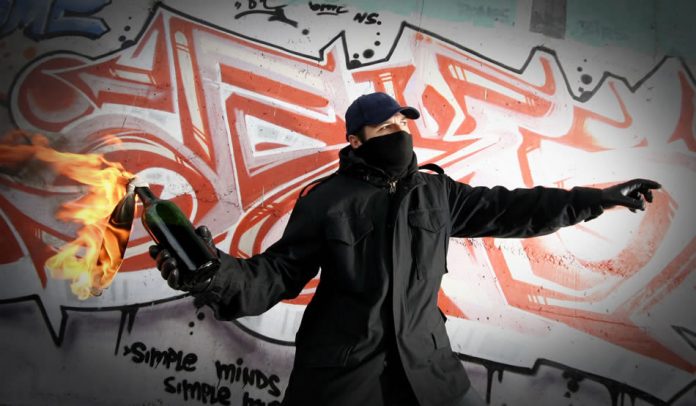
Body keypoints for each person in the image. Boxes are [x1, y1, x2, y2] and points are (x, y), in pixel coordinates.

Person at [149, 92, 661, 406]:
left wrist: (595, 200)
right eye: (386, 127)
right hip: (345, 376)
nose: (399, 133)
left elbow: (512, 209)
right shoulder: (326, 200)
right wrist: (212, 274)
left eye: (403, 124)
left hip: (428, 369)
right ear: (356, 141)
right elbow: (276, 274)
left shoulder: (437, 192)